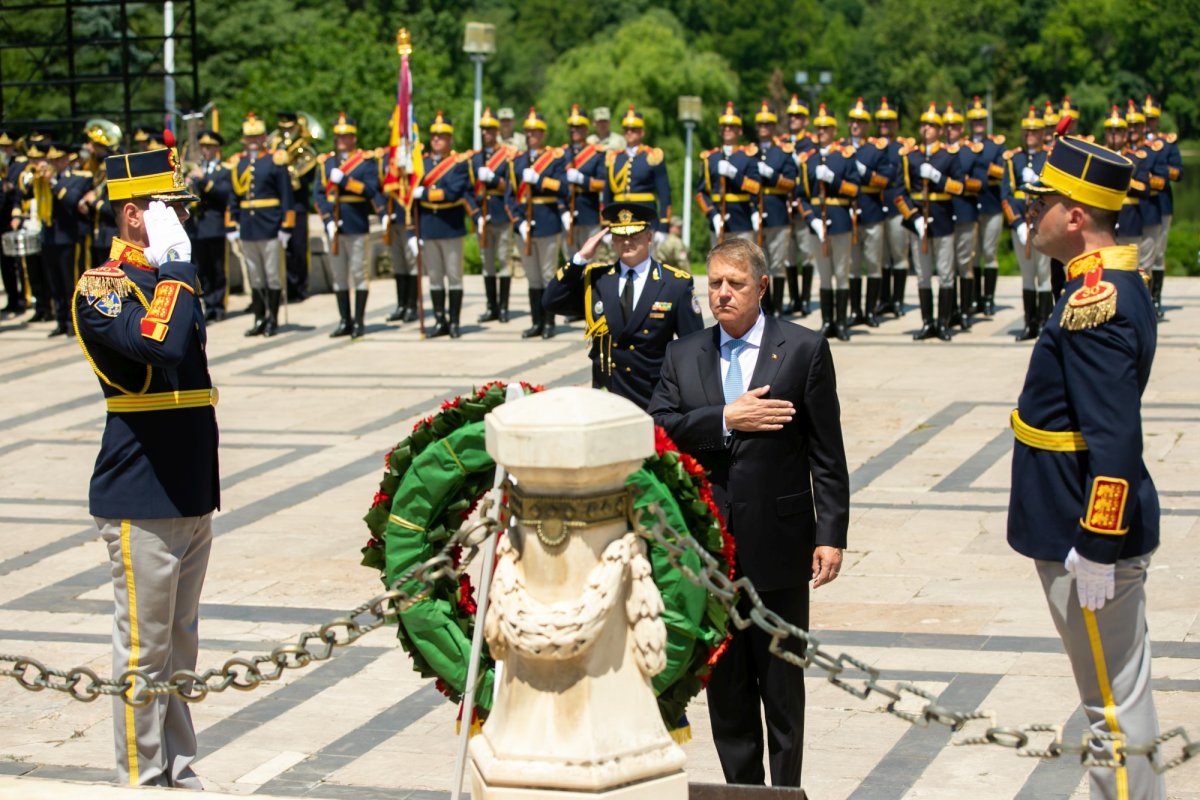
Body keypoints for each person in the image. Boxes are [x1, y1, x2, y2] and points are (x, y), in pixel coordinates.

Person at [647, 237, 849, 788]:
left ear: (762, 286)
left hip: (780, 547)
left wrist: (831, 534)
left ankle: (785, 792)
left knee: (782, 690)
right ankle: (742, 792)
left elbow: (826, 452)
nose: (722, 293)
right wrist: (724, 418)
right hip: (708, 552)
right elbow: (658, 430)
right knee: (729, 695)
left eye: (734, 283)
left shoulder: (804, 349)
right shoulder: (683, 354)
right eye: (713, 283)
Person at [1009, 134, 1165, 800]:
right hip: (1080, 527)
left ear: (1075, 216)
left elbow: (1114, 442)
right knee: (1120, 701)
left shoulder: (1095, 303)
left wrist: (1097, 546)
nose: (1030, 213)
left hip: (1085, 536)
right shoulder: (1098, 285)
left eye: (1042, 202)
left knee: (1111, 716)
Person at [72, 144, 218, 789]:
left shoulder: (166, 277)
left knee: (180, 646)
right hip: (141, 490)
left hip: (187, 486)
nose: (182, 220)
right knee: (143, 648)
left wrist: (174, 271)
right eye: (170, 209)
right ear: (135, 217)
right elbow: (158, 346)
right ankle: (141, 778)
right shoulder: (101, 286)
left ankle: (178, 770)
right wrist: (178, 269)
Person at [543, 202, 704, 409]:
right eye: (619, 237)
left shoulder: (675, 283)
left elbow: (693, 347)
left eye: (634, 236)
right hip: (608, 395)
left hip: (655, 397)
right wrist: (579, 259)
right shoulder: (597, 280)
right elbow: (551, 301)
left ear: (649, 237)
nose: (626, 242)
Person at [891, 102, 966, 342]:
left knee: (945, 273)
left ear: (940, 130)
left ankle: (943, 323)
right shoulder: (910, 156)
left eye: (932, 125)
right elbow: (899, 193)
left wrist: (937, 177)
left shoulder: (949, 156)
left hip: (942, 219)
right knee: (923, 274)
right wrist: (912, 218)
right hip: (917, 222)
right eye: (924, 124)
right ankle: (927, 322)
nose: (926, 128)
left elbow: (960, 186)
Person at [315, 113, 385, 339]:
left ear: (354, 138)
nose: (342, 139)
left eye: (346, 136)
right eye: (339, 136)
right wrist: (327, 220)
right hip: (335, 227)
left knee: (359, 273)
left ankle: (359, 321)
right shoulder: (326, 162)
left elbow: (371, 190)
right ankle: (345, 320)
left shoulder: (365, 162)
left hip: (356, 223)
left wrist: (345, 181)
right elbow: (318, 194)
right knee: (339, 275)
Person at [407, 111, 475, 338]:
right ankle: (440, 321)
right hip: (428, 225)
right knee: (435, 276)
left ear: (450, 139)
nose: (437, 139)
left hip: (450, 224)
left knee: (454, 275)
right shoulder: (421, 163)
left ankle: (454, 322)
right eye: (434, 135)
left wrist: (424, 193)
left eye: (442, 136)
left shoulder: (458, 164)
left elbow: (452, 192)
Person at [796, 104, 860, 340]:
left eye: (826, 128)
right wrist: (811, 220)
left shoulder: (844, 156)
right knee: (824, 275)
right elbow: (800, 196)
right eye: (818, 128)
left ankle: (841, 322)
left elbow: (854, 189)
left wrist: (834, 180)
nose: (821, 131)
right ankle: (827, 321)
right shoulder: (808, 161)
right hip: (817, 224)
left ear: (834, 130)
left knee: (841, 273)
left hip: (840, 219)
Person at [227, 112, 294, 338]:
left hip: (270, 225)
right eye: (249, 137)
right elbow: (234, 197)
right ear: (244, 139)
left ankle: (272, 319)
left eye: (257, 136)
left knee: (272, 275)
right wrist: (232, 224)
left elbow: (286, 196)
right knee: (255, 276)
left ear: (264, 137)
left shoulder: (275, 160)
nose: (253, 140)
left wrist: (286, 226)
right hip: (248, 226)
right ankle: (259, 317)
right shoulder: (239, 163)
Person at [508, 107, 566, 339]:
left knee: (547, 275)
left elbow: (563, 187)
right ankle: (536, 322)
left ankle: (549, 321)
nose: (531, 135)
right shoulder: (517, 162)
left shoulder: (554, 159)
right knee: (532, 276)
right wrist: (518, 221)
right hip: (525, 225)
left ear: (543, 134)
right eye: (528, 131)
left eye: (536, 131)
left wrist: (540, 179)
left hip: (547, 221)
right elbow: (509, 196)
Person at [1002, 106, 1052, 341]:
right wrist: (1018, 223)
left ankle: (1043, 323)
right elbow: (1006, 196)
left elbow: (1053, 194)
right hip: (1022, 226)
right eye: (1027, 131)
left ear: (1043, 133)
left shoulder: (1049, 158)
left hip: (1041, 224)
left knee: (1044, 275)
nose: (1030, 135)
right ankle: (1029, 323)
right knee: (1027, 275)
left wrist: (1039, 182)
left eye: (1035, 131)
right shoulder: (1014, 159)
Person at [844, 97, 892, 327]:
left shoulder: (875, 150)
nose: (855, 125)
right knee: (852, 267)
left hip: (872, 213)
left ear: (867, 125)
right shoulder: (840, 150)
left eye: (860, 121)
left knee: (873, 263)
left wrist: (864, 173)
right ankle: (855, 311)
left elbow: (885, 180)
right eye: (852, 120)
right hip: (849, 215)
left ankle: (870, 310)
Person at [39, 141, 93, 337]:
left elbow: (71, 200)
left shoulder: (79, 178)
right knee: (55, 282)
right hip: (49, 236)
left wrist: (53, 183)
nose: (54, 163)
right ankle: (60, 319)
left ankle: (74, 322)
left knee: (70, 280)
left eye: (58, 160)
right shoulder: (43, 179)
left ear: (65, 159)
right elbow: (27, 194)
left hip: (68, 236)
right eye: (52, 160)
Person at [749, 101, 798, 317]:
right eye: (760, 124)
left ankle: (777, 307)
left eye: (768, 124)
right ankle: (763, 307)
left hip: (777, 213)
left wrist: (772, 175)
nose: (763, 128)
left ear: (774, 126)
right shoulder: (749, 152)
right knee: (760, 265)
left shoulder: (783, 152)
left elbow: (791, 183)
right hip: (755, 214)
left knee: (777, 264)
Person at [472, 107, 516, 324]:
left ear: (497, 131)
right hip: (484, 215)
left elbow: (511, 186)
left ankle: (505, 307)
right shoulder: (475, 157)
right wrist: (476, 214)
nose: (485, 133)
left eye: (489, 130)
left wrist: (494, 180)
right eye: (483, 130)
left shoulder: (506, 156)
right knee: (487, 262)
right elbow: (469, 188)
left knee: (504, 260)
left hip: (501, 213)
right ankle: (492, 306)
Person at [944, 102, 985, 331]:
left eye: (955, 126)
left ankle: (966, 310)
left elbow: (979, 184)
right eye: (947, 126)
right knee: (947, 266)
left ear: (962, 128)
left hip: (965, 212)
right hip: (944, 214)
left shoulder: (971, 152)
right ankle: (949, 311)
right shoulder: (939, 152)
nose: (951, 130)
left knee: (965, 264)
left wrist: (956, 184)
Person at [697, 103, 759, 251]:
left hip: (741, 220)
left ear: (740, 130)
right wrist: (713, 215)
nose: (727, 129)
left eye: (732, 126)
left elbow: (756, 188)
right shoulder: (710, 158)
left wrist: (734, 174)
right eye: (724, 126)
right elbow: (701, 194)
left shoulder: (747, 157)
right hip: (718, 220)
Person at [602, 105, 672, 235]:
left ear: (642, 132)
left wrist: (663, 224)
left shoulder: (652, 156)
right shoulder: (614, 158)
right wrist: (606, 225)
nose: (629, 132)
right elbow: (607, 194)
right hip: (619, 217)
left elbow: (664, 194)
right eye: (626, 129)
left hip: (644, 215)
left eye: (634, 129)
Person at [965, 96, 1006, 316]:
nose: (978, 123)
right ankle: (974, 298)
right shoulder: (964, 145)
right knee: (973, 254)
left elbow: (1001, 171)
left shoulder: (995, 145)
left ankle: (989, 298)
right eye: (975, 120)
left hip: (991, 204)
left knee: (989, 253)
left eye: (981, 120)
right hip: (971, 204)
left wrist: (980, 169)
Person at [187, 129, 233, 321]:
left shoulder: (225, 170)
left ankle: (219, 305)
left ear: (217, 149)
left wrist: (203, 180)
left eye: (209, 147)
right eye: (203, 147)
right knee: (202, 268)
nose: (205, 150)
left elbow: (226, 194)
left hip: (214, 224)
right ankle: (208, 304)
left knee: (217, 267)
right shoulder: (195, 168)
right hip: (196, 226)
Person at [270, 111, 316, 303]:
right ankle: (284, 286)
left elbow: (308, 178)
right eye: (284, 129)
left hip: (297, 204)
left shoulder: (305, 147)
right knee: (280, 250)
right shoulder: (275, 145)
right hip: (279, 205)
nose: (287, 133)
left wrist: (292, 172)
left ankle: (300, 287)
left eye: (290, 128)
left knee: (298, 246)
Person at [1143, 95, 1182, 319]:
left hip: (1161, 203)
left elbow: (1178, 172)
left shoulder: (1167, 143)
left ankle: (1155, 298)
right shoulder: (1134, 145)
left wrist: (1158, 172)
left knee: (1158, 253)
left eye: (1152, 119)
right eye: (1145, 118)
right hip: (1139, 204)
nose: (1149, 122)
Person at [779, 95, 817, 315]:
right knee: (789, 255)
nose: (793, 119)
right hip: (784, 207)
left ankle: (804, 299)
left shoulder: (810, 144)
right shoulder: (781, 143)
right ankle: (793, 298)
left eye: (798, 116)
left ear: (805, 120)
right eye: (791, 116)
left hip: (803, 206)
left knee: (806, 253)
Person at [874, 97, 909, 318]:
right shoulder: (873, 148)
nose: (885, 125)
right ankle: (884, 298)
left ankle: (898, 299)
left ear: (896, 124)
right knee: (882, 257)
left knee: (899, 254)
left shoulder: (902, 149)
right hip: (877, 207)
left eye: (889, 122)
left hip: (897, 207)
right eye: (882, 122)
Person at [560, 104, 608, 263]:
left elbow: (602, 183)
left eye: (579, 127)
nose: (574, 130)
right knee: (570, 261)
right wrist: (563, 211)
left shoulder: (596, 153)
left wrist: (582, 180)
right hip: (568, 212)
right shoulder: (562, 153)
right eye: (572, 127)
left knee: (591, 260)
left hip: (589, 211)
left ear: (586, 129)